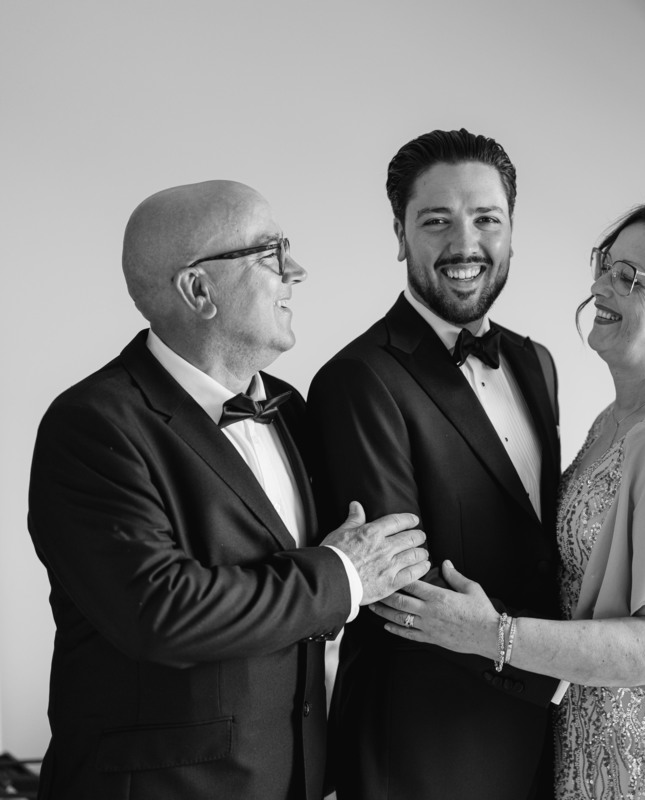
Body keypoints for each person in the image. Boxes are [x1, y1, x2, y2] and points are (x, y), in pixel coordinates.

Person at [373, 204, 645, 799]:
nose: (601, 286)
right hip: (589, 746)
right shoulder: (617, 418)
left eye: (630, 277)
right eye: (605, 265)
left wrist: (491, 633)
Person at [27, 180, 432, 800]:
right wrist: (344, 576)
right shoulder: (91, 424)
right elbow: (162, 613)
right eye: (270, 253)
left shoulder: (290, 408)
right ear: (199, 289)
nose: (295, 271)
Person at [307, 129, 562, 799]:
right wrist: (563, 665)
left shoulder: (535, 362)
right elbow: (396, 583)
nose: (465, 244)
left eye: (486, 219)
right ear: (400, 235)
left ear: (512, 232)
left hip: (541, 740)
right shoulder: (359, 378)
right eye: (437, 221)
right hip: (423, 745)